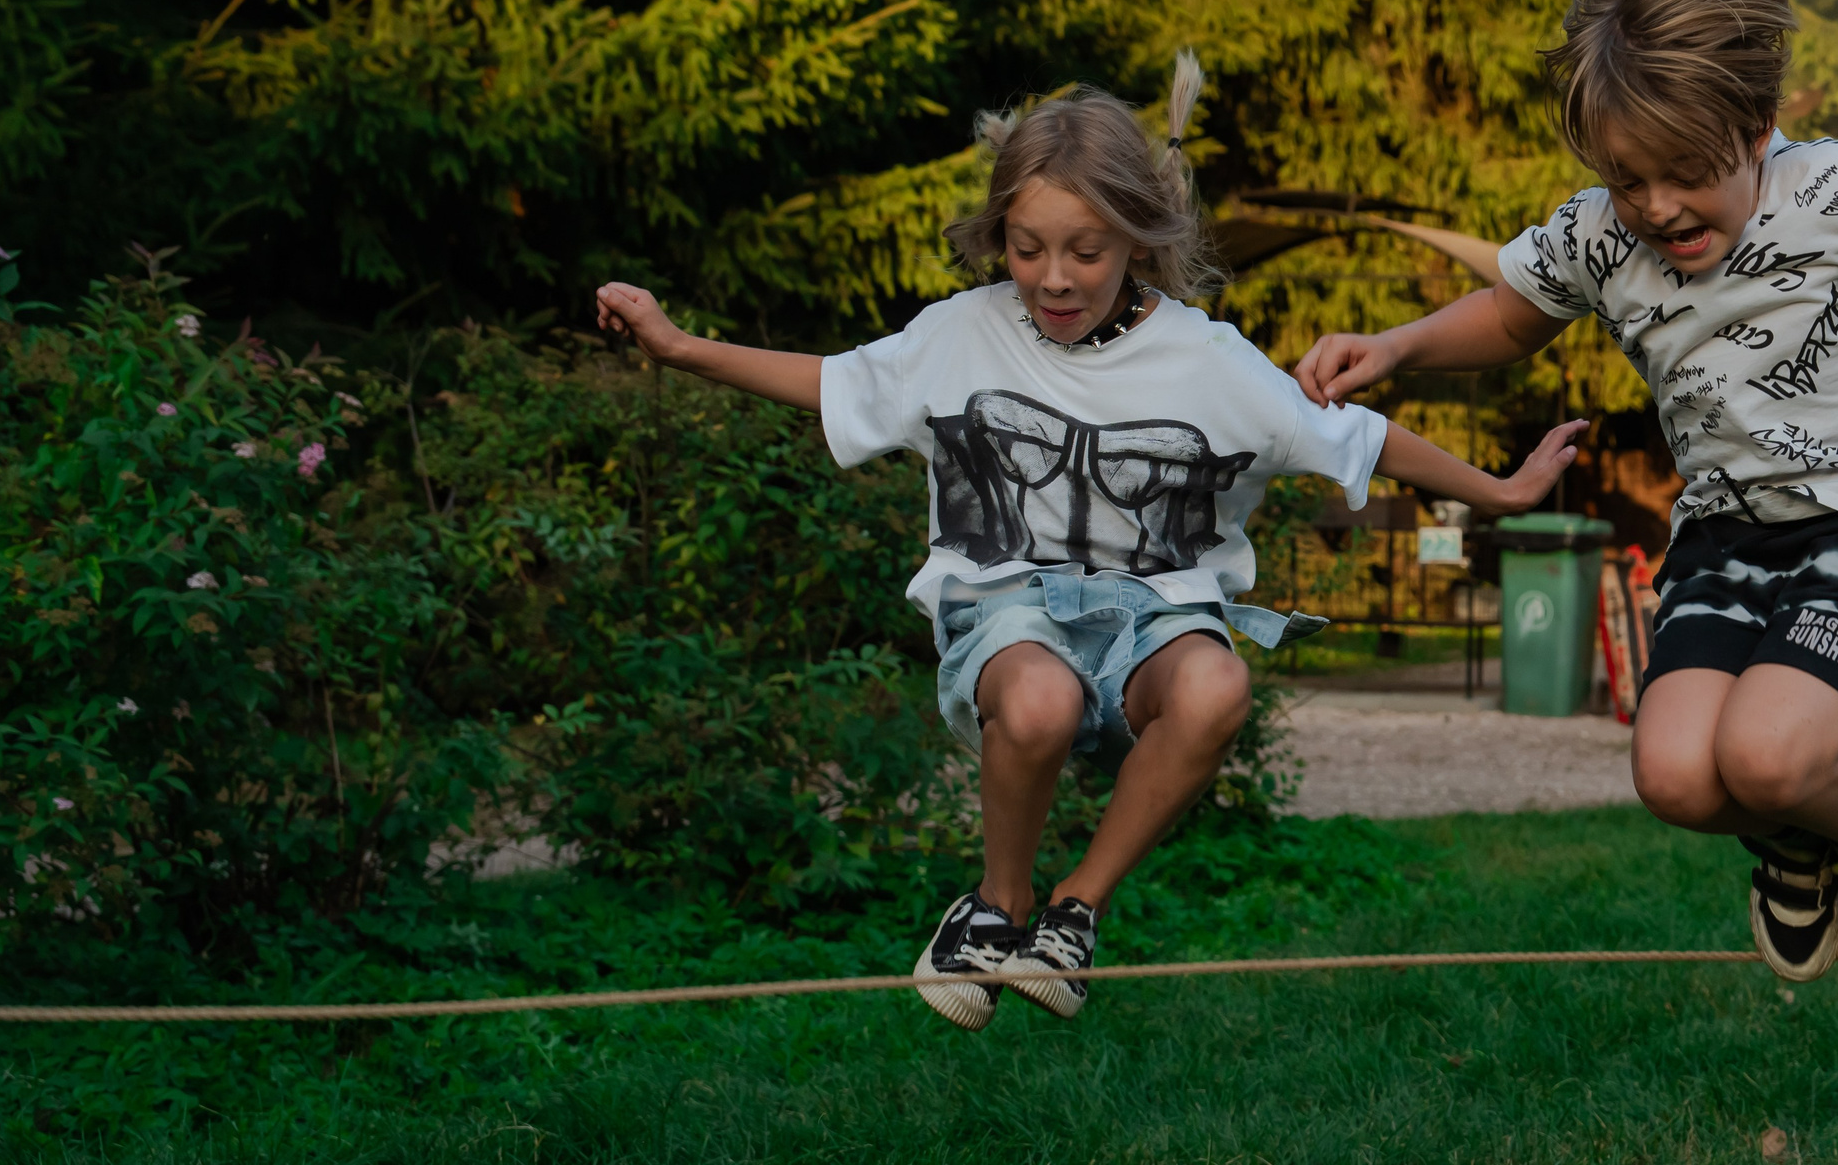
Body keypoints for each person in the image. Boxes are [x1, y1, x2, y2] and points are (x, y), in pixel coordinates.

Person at [596, 54, 1587, 1031]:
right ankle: (996, 908)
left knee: (1218, 685)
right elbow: (835, 380)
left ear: (1133, 240)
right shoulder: (961, 334)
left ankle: (1073, 914)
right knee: (1040, 697)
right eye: (1027, 250)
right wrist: (679, 347)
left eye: (1085, 251)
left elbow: (1357, 438)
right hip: (1007, 616)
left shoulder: (1208, 361)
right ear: (998, 237)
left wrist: (1499, 490)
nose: (1054, 280)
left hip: (1153, 624)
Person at [1291, 0, 1838, 1002]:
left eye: (1683, 170)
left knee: (1769, 752)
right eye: (1628, 179)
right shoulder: (1599, 231)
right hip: (1724, 536)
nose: (1656, 206)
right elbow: (1513, 316)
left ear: (1757, 126)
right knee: (1674, 775)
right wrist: (1397, 347)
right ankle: (1803, 838)